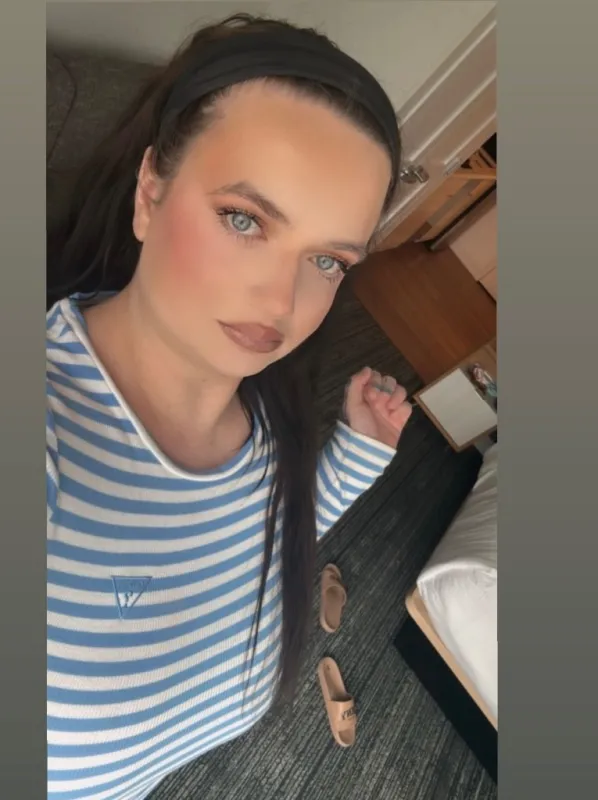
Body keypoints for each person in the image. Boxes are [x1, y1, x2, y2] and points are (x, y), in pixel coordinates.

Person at [46, 14, 412, 800]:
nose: (281, 300)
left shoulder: (270, 421)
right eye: (245, 220)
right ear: (150, 193)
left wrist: (357, 454)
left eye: (327, 260)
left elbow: (261, 544)